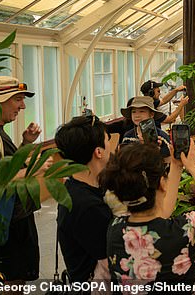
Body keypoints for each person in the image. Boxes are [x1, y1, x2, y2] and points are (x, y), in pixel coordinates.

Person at [101, 140, 195, 287]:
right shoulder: (186, 230)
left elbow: (161, 213)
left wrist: (176, 167)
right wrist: (194, 169)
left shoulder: (116, 230)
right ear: (162, 184)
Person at [0, 76, 48, 283]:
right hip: (5, 229)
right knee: (7, 284)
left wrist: (25, 144)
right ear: (0, 99)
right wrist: (32, 171)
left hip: (13, 223)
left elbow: (4, 170)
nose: (22, 106)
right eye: (17, 99)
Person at [54, 114, 113, 283]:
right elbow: (115, 259)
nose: (111, 145)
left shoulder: (75, 187)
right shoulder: (88, 206)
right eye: (107, 140)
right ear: (98, 152)